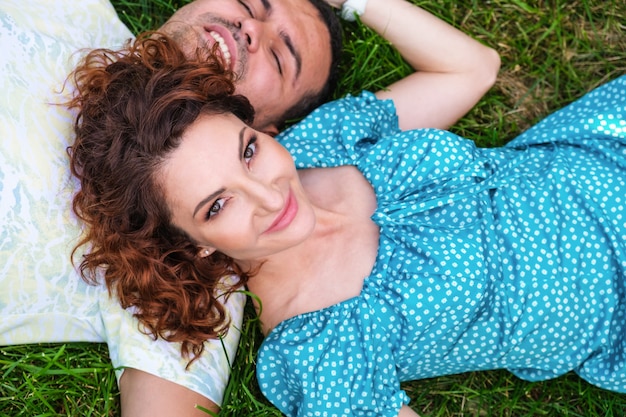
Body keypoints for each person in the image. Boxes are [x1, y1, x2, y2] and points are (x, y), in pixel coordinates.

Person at [67, 28, 626, 417]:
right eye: (218, 205)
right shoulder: (316, 350)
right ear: (193, 247)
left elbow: (471, 69)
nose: (268, 194)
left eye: (248, 151)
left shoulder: (323, 140)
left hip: (602, 145)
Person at [0, 0, 498, 416]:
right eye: (249, 2)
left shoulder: (190, 265)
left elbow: (473, 70)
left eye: (280, 58)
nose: (251, 30)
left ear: (267, 128)